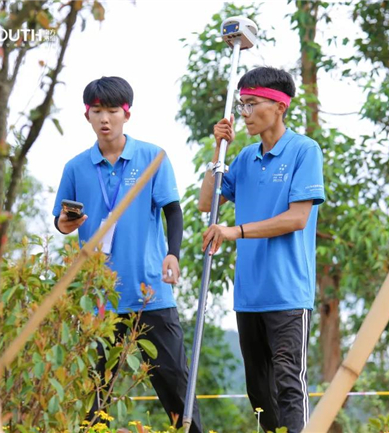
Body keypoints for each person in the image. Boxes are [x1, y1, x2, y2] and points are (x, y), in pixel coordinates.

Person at [52, 76, 201, 432]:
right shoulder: (75, 167)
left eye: (112, 111)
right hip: (98, 299)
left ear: (127, 114)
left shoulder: (152, 157)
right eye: (97, 111)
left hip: (149, 292)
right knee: (93, 394)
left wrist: (173, 253)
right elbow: (61, 222)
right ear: (87, 115)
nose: (105, 119)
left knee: (177, 388)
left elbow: (173, 211)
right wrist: (65, 224)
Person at [198, 67, 325, 432]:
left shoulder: (304, 150)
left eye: (252, 104)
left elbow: (297, 218)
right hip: (249, 295)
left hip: (288, 294)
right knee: (259, 393)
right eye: (242, 105)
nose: (245, 113)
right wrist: (218, 149)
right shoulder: (244, 158)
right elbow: (207, 202)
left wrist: (236, 231)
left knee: (288, 385)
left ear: (280, 106)